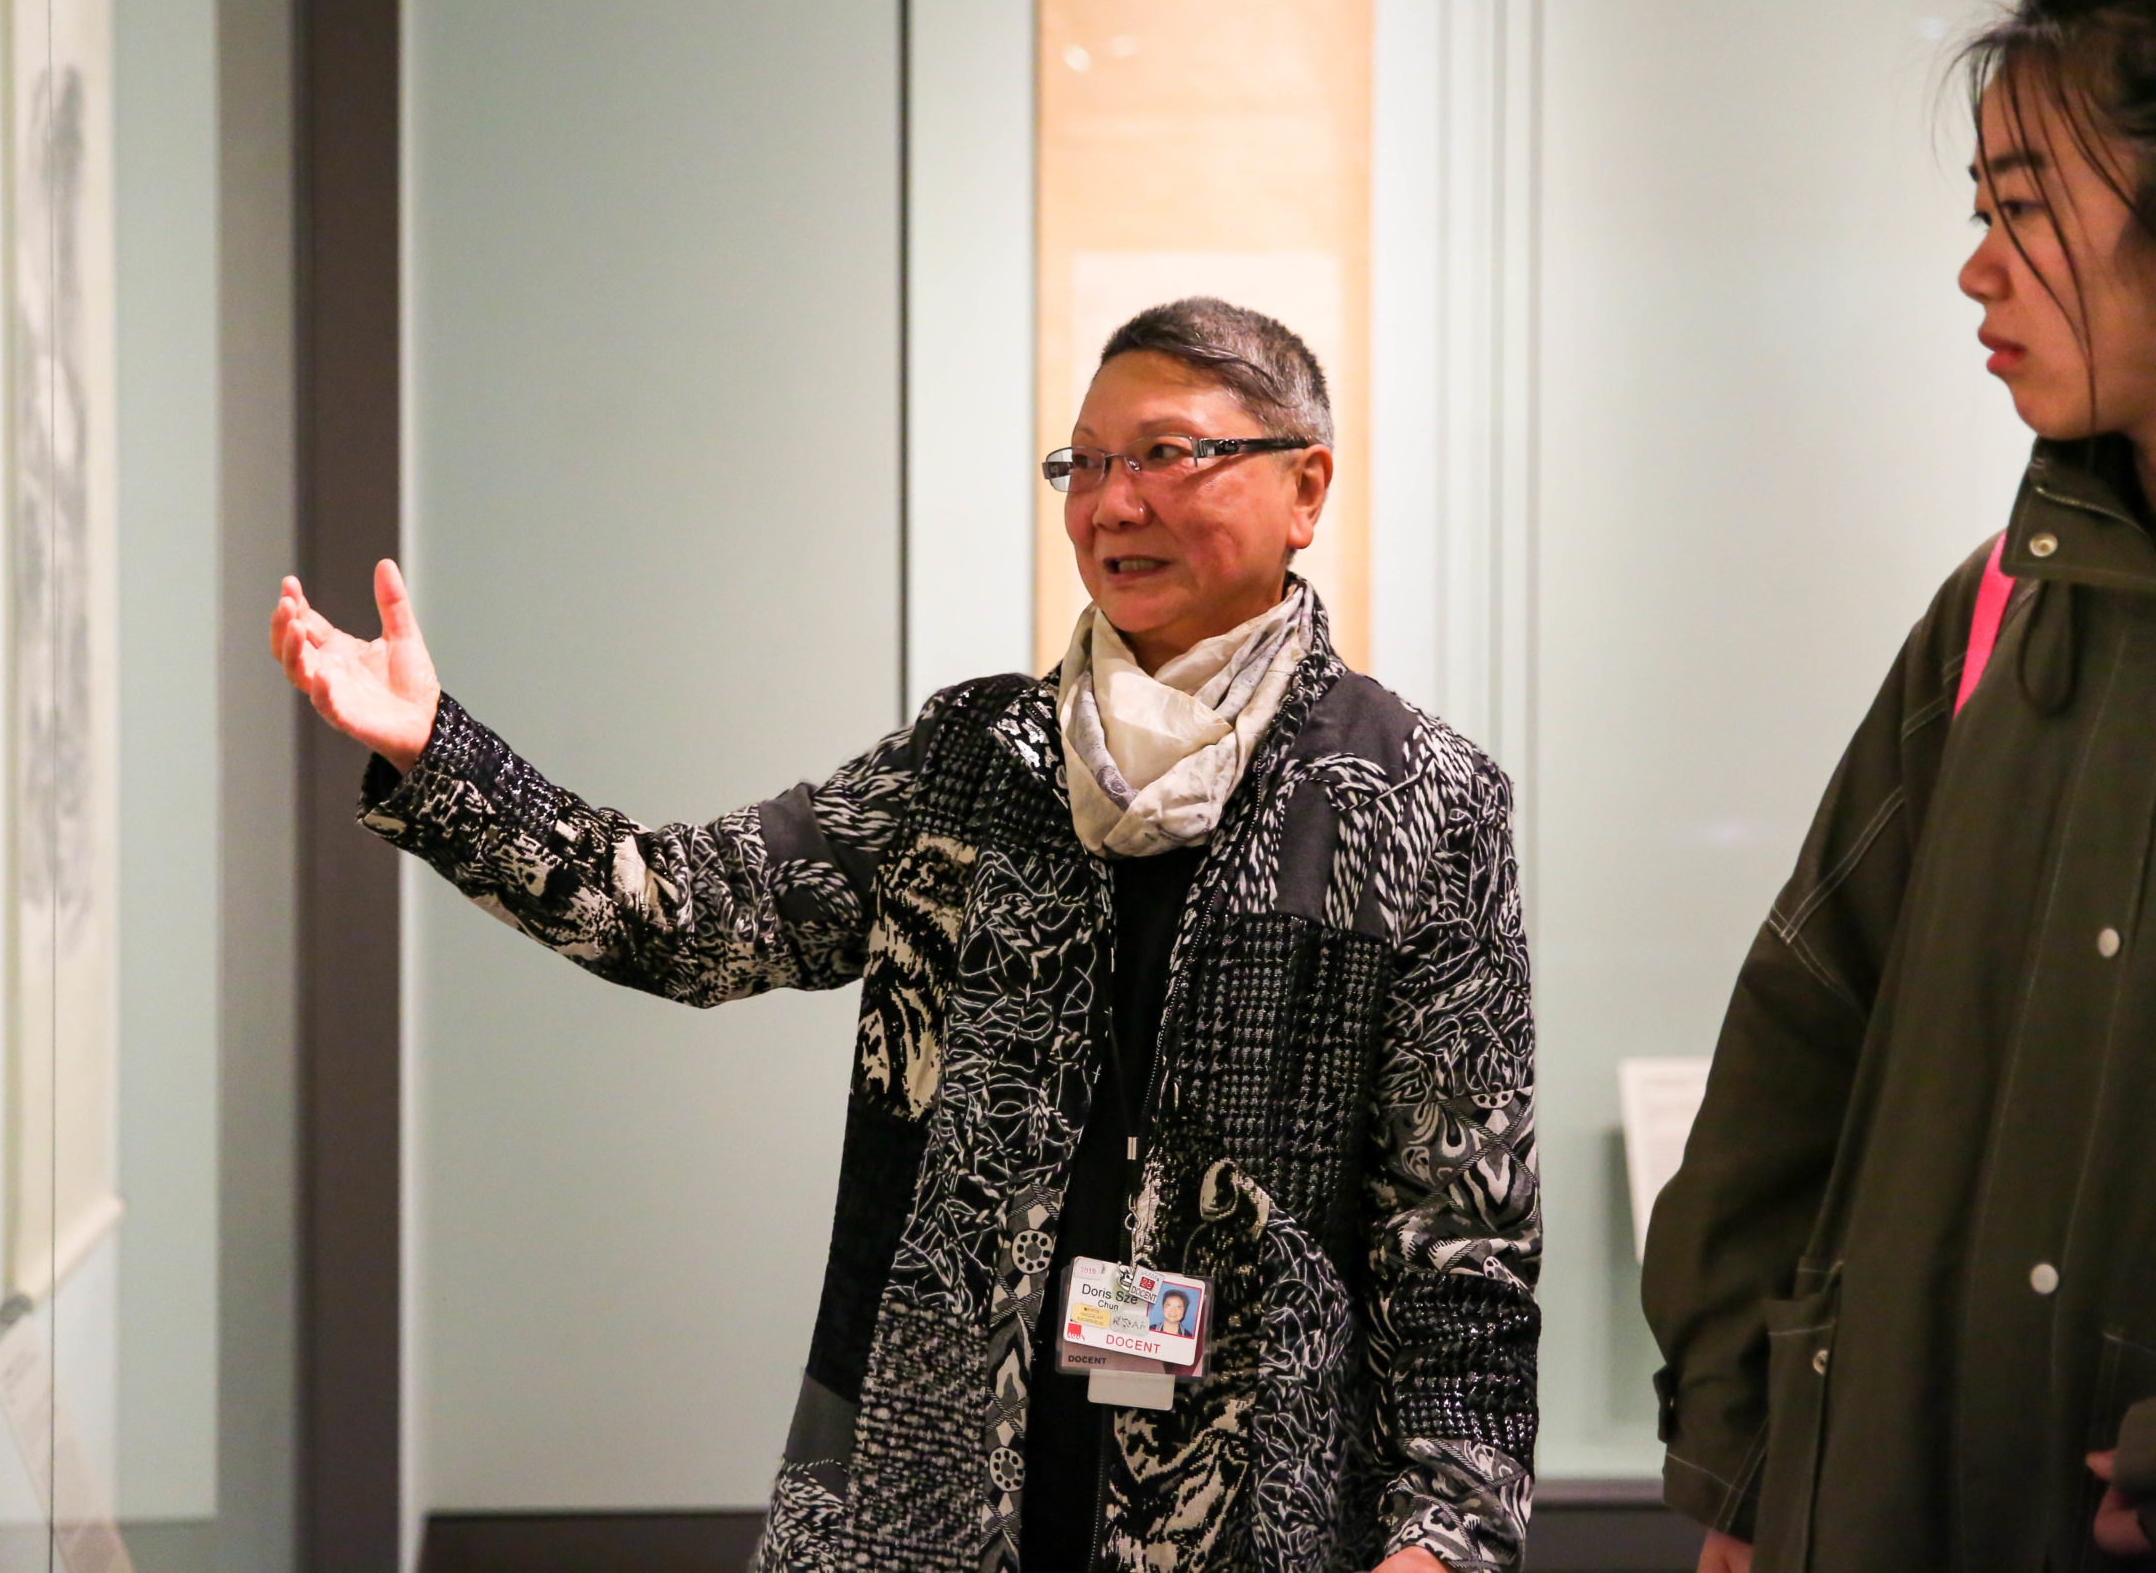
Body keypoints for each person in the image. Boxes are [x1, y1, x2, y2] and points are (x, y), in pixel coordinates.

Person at [272, 297, 1540, 1572]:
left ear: (1302, 487)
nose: (1111, 503)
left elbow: (1463, 1237)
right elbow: (692, 915)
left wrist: (1446, 1538)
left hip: (1252, 1509)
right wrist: (441, 757)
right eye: (1085, 463)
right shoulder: (974, 762)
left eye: (1164, 455)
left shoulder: (1416, 801)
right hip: (935, 1482)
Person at [1642, 0, 2156, 1573]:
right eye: (1977, 211)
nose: (1979, 270)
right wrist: (1743, 1463)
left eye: (2027, 207)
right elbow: (1805, 1020)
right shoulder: (2003, 604)